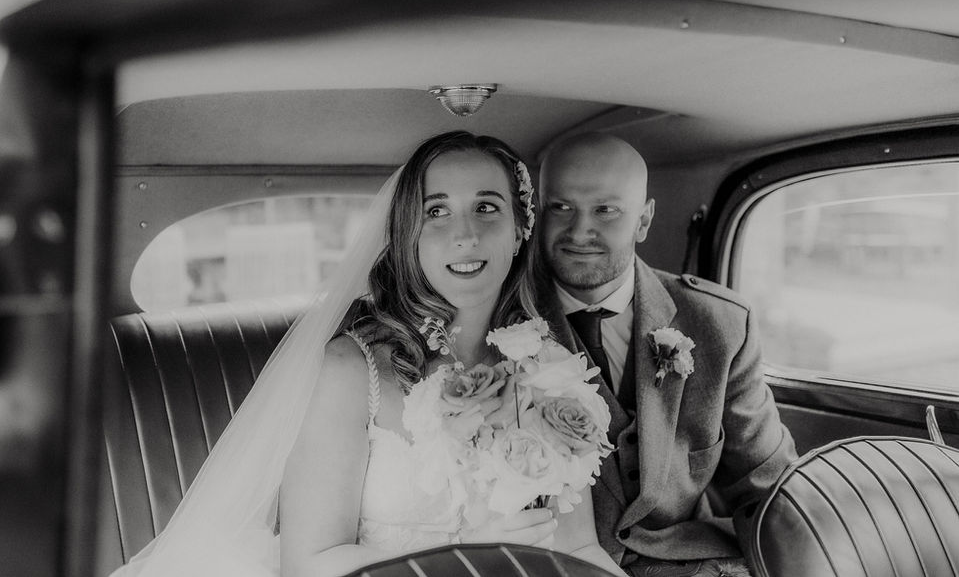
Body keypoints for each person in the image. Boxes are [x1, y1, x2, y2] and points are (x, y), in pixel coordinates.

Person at [111, 131, 626, 577]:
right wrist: (470, 555)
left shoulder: (546, 370)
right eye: (436, 211)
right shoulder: (353, 372)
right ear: (408, 237)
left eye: (486, 208)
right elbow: (310, 564)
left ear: (518, 232)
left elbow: (579, 548)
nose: (465, 235)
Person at [535, 132, 797, 577]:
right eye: (560, 207)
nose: (579, 231)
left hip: (686, 562)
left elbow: (767, 485)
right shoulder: (502, 321)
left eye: (605, 210)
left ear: (643, 220)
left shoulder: (720, 325)